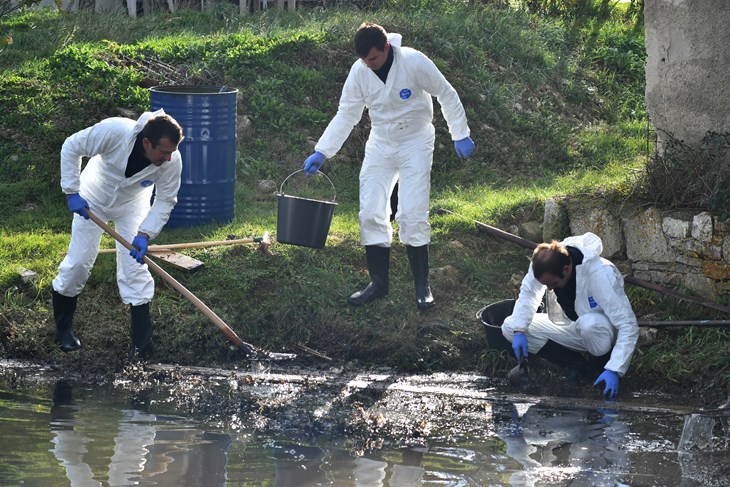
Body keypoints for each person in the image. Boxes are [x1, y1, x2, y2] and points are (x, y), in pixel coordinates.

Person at [302, 22, 474, 310]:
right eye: (363, 61)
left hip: (415, 141)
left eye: (373, 59)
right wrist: (323, 150)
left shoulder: (414, 61)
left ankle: (423, 288)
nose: (368, 66)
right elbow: (347, 114)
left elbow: (446, 92)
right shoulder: (360, 71)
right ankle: (379, 284)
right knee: (370, 210)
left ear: (386, 48)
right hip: (380, 143)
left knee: (412, 211)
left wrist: (461, 133)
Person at [52, 109, 184, 361]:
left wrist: (145, 233)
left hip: (132, 206)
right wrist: (71, 191)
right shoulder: (114, 131)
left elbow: (166, 199)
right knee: (78, 263)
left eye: (171, 152)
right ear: (147, 143)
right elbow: (72, 146)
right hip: (92, 201)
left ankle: (141, 347)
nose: (168, 158)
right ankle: (63, 331)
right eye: (163, 152)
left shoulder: (172, 160)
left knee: (134, 270)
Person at [501, 232, 639, 398]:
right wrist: (519, 331)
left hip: (602, 333)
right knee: (510, 326)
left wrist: (614, 369)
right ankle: (577, 367)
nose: (550, 289)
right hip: (572, 326)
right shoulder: (543, 266)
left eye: (553, 284)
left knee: (589, 325)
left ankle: (600, 369)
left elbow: (628, 325)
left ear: (566, 268)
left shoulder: (600, 273)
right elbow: (529, 293)